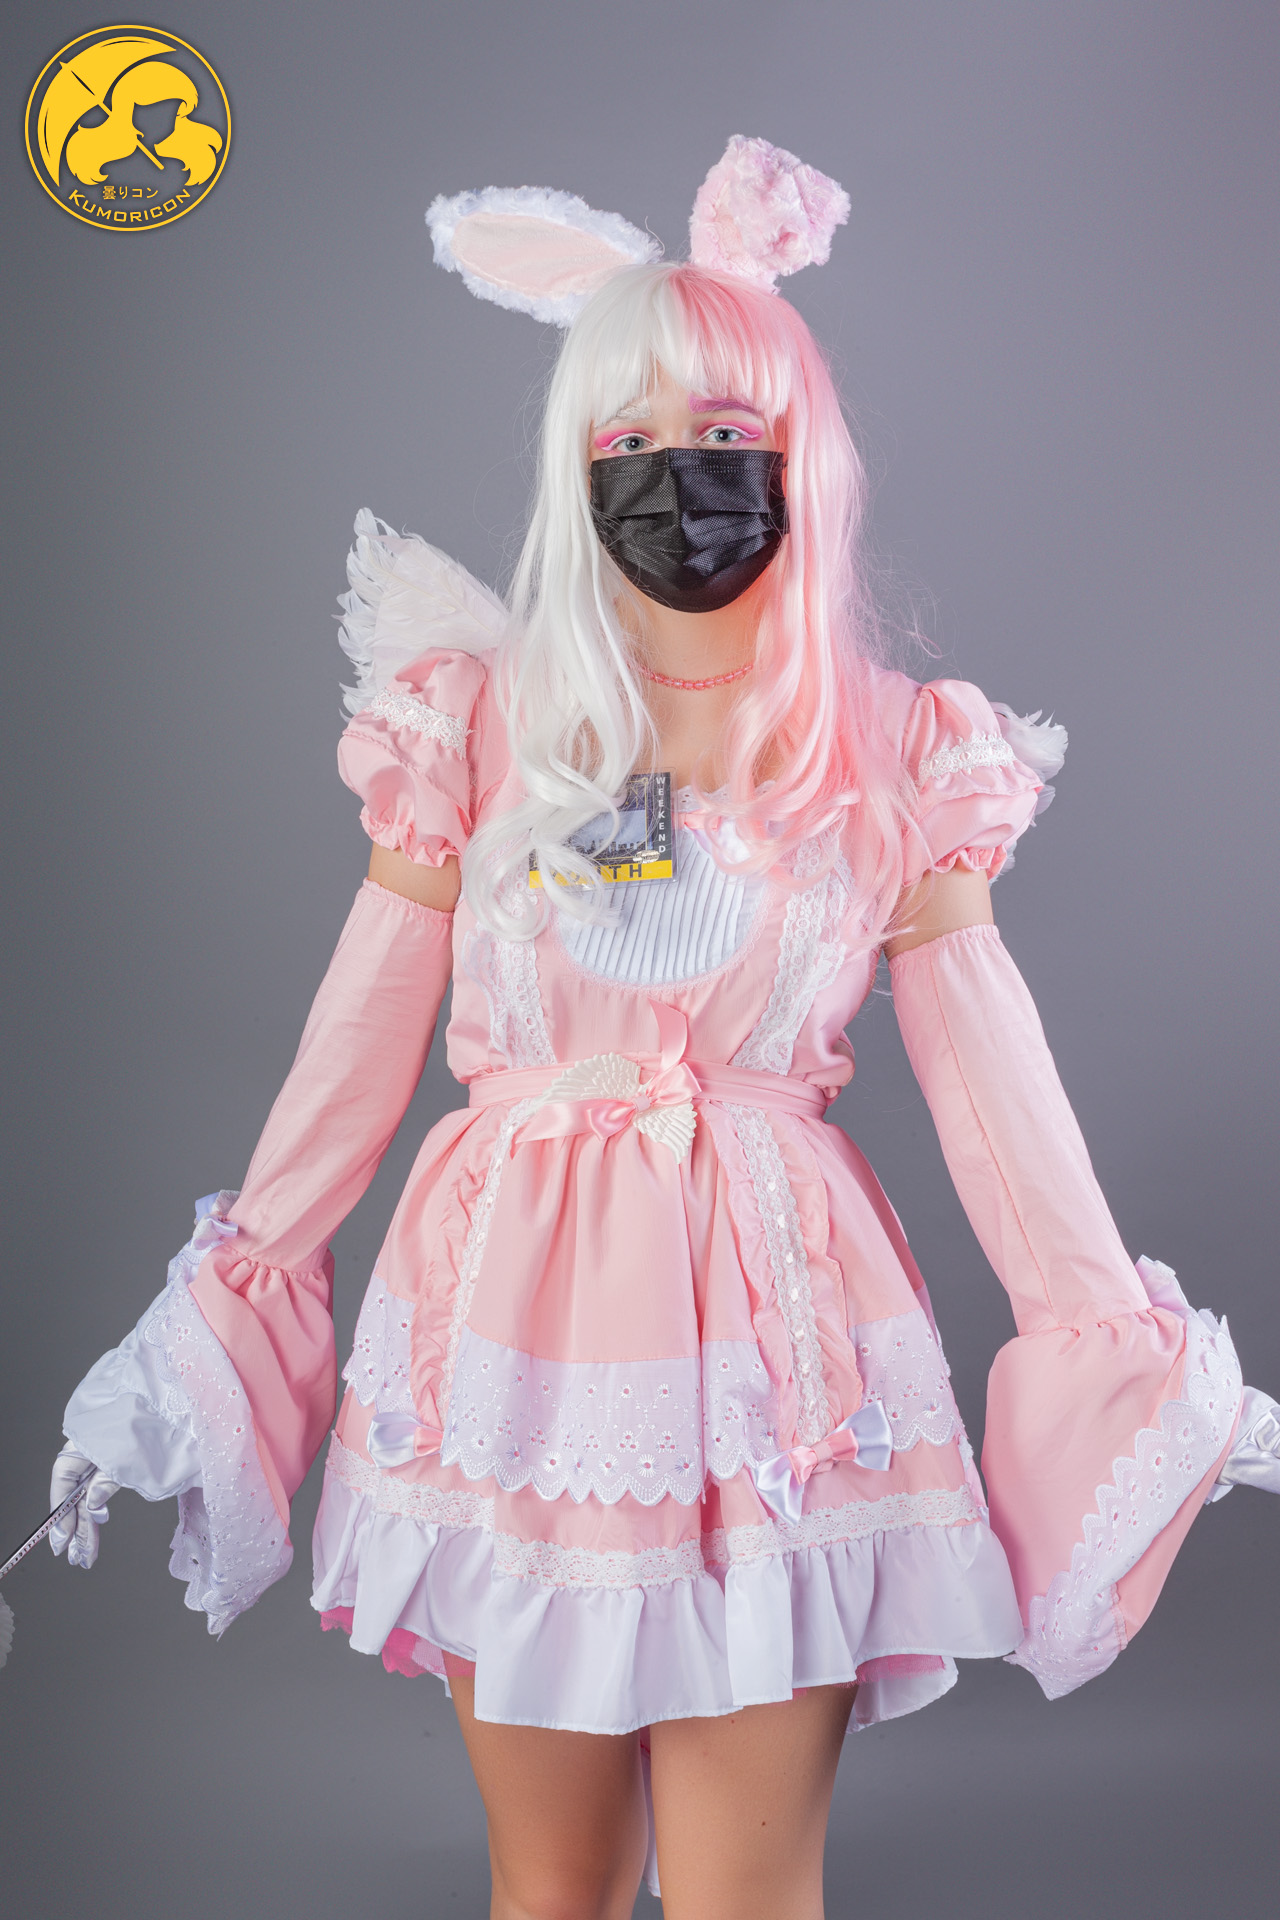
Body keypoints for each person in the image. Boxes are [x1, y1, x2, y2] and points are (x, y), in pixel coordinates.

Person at [46, 139, 1280, 1920]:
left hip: (783, 1357)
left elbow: (989, 1070)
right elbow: (360, 1033)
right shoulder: (480, 722)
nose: (676, 475)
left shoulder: (891, 746)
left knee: (744, 1899)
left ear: (800, 458)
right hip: (510, 1339)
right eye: (628, 439)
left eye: (724, 435)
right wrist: (234, 1297)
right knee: (548, 1888)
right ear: (576, 463)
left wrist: (1108, 1337)